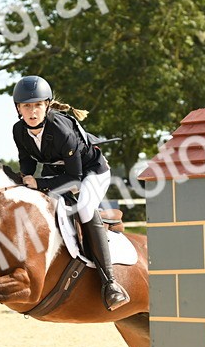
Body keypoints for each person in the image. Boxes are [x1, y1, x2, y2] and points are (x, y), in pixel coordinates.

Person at [11, 75, 128, 311]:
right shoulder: (19, 130)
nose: (32, 111)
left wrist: (39, 182)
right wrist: (25, 178)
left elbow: (75, 181)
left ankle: (110, 282)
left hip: (91, 173)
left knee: (84, 207)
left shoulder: (61, 129)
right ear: (18, 109)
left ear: (47, 105)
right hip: (57, 176)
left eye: (37, 105)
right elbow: (26, 160)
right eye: (26, 106)